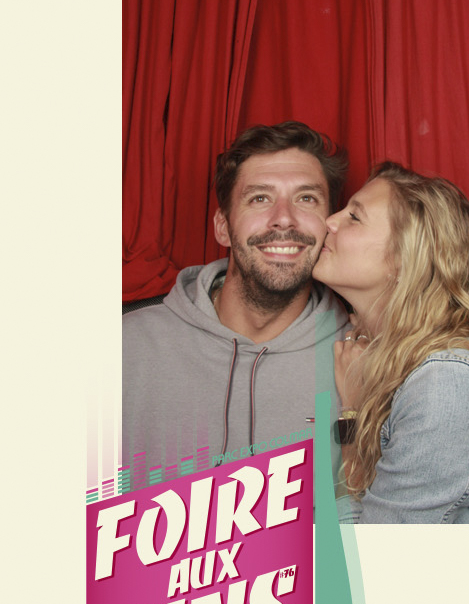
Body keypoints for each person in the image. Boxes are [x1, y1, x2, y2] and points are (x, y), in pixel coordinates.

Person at [322, 163, 469, 524]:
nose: (329, 221)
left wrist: (353, 412)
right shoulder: (383, 347)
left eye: (354, 217)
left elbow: (379, 550)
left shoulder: (448, 379)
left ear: (404, 258)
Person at [122, 123, 350, 489]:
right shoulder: (123, 348)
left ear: (330, 226)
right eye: (259, 198)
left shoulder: (364, 360)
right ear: (223, 227)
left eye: (307, 198)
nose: (284, 217)